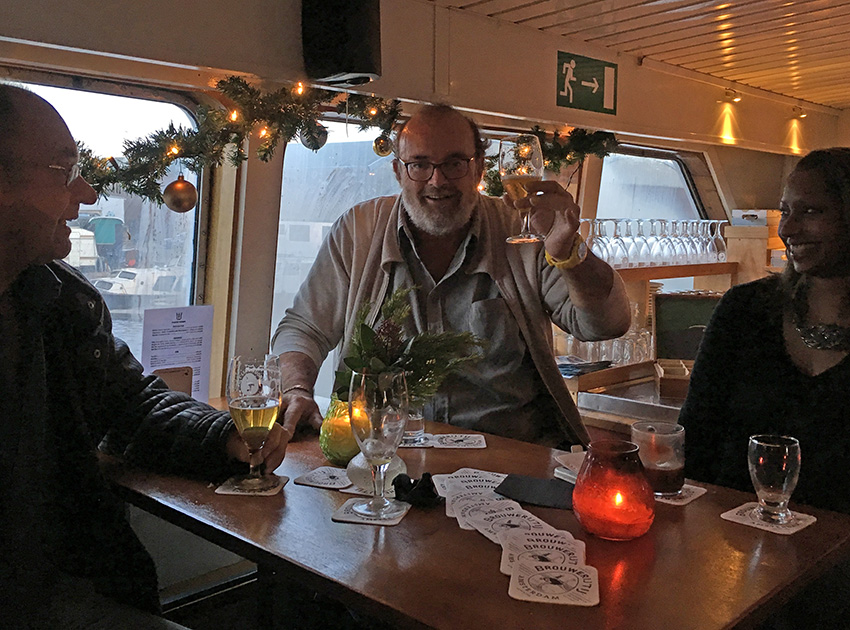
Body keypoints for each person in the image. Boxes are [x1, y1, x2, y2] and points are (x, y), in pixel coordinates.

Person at [0, 84, 290, 627]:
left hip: (67, 592)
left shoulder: (62, 303)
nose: (86, 193)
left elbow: (132, 403)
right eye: (63, 170)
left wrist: (218, 435)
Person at [272, 103, 630, 448]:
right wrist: (297, 391)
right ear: (398, 172)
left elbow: (606, 325)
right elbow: (304, 328)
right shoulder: (358, 232)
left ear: (479, 169)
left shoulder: (524, 234)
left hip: (507, 462)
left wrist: (571, 254)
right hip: (385, 456)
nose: (437, 180)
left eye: (454, 163)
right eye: (420, 164)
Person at [679, 148, 850, 629]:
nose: (788, 229)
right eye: (787, 210)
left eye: (812, 211)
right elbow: (693, 442)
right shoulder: (744, 312)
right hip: (730, 568)